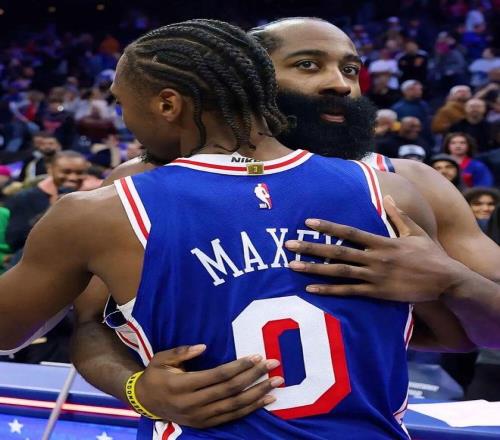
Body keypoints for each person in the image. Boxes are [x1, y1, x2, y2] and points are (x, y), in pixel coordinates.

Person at [0, 19, 472, 440]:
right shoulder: (389, 192)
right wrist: (135, 386)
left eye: (122, 105)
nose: (125, 121)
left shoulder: (106, 209)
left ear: (168, 104)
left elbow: (8, 331)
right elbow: (457, 334)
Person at [3, 150, 89, 252]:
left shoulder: (90, 199)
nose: (73, 177)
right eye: (66, 172)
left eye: (79, 173)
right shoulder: (25, 197)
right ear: (50, 170)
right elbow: (14, 241)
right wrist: (51, 211)